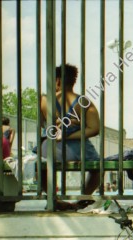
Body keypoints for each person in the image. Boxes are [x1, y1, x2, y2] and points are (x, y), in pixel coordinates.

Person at [39, 64, 101, 211]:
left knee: (40, 167)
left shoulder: (44, 100)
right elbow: (94, 129)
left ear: (58, 80)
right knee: (98, 168)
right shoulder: (84, 102)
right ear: (73, 81)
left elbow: (43, 126)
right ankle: (83, 198)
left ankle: (54, 199)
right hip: (78, 149)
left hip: (49, 149)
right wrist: (72, 132)